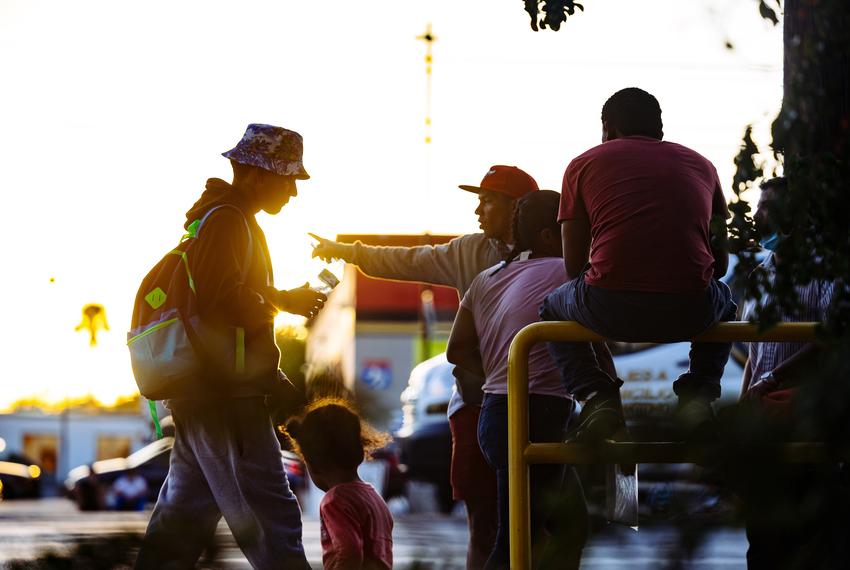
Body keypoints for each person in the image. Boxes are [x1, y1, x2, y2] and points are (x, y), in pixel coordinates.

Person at [311, 165, 539, 568]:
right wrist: (350, 252)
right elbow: (410, 260)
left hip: (538, 401)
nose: (478, 211)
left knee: (539, 517)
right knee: (483, 518)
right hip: (476, 404)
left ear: (518, 208)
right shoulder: (469, 251)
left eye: (488, 201)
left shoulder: (551, 253)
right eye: (479, 201)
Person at [135, 124, 327, 569]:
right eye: (288, 179)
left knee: (183, 511)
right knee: (269, 512)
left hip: (206, 390)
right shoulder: (228, 221)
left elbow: (217, 296)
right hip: (226, 394)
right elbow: (221, 302)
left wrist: (278, 300)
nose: (293, 193)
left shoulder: (217, 218)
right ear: (257, 174)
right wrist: (281, 304)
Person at [540, 87, 737, 442]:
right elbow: (719, 264)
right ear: (660, 128)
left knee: (551, 306)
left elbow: (572, 266)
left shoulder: (583, 164)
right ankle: (697, 397)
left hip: (608, 306)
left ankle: (596, 397)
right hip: (691, 310)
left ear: (607, 129)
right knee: (725, 301)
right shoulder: (702, 166)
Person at [447, 190, 588, 570]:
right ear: (548, 235)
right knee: (517, 541)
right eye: (575, 230)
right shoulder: (567, 273)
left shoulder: (486, 279)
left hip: (493, 415)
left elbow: (456, 351)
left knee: (565, 524)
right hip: (537, 415)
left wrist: (499, 372)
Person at [729, 177, 845, 569]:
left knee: (810, 542)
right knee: (763, 545)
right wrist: (747, 404)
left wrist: (775, 379)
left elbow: (834, 337)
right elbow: (755, 352)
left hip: (807, 418)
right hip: (764, 425)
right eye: (759, 208)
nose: (760, 216)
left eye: (770, 208)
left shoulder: (828, 269)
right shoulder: (759, 274)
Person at [285, 398, 394, 570]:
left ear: (312, 463)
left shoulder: (335, 502)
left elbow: (350, 553)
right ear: (359, 451)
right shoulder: (374, 497)